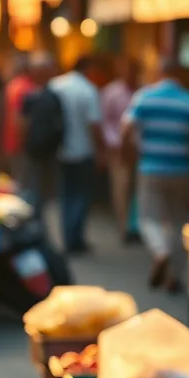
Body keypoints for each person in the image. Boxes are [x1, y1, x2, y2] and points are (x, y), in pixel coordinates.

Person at [122, 58, 189, 291]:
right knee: (178, 221)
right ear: (180, 74)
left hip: (151, 167)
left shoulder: (144, 97)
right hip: (182, 169)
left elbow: (126, 130)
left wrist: (129, 155)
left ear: (158, 72)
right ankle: (174, 277)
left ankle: (160, 252)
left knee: (148, 218)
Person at [50, 55, 105, 254]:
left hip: (59, 150)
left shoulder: (55, 85)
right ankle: (75, 238)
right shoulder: (88, 90)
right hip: (83, 151)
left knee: (65, 194)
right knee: (81, 194)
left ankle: (68, 237)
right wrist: (100, 150)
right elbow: (94, 124)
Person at [17, 55, 63, 215]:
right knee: (39, 185)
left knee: (38, 185)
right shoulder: (49, 95)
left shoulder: (47, 95)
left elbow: (22, 123)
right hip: (41, 147)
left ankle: (38, 216)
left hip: (41, 147)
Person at [101, 58, 139, 242]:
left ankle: (136, 226)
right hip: (118, 148)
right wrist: (115, 144)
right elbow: (106, 121)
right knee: (121, 187)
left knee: (137, 188)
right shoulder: (111, 92)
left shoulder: (143, 91)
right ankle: (124, 227)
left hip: (138, 148)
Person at [3, 55, 34, 176]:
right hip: (21, 143)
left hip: (11, 140)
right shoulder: (25, 87)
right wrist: (22, 141)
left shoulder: (12, 85)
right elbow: (18, 118)